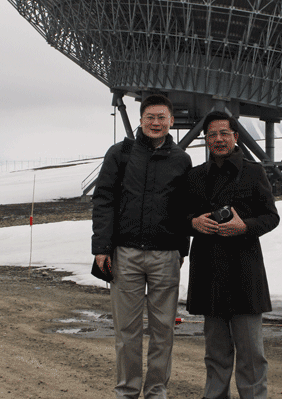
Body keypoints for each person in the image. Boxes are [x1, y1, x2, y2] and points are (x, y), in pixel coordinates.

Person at [91, 94, 192, 399]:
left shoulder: (181, 160)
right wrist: (102, 247)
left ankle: (157, 391)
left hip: (165, 255)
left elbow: (185, 207)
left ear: (171, 121)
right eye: (150, 117)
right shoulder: (120, 154)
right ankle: (127, 392)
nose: (156, 123)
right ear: (140, 119)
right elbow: (103, 200)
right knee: (127, 333)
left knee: (163, 331)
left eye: (162, 117)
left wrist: (181, 251)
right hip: (127, 254)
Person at [186, 111, 280, 399]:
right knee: (216, 354)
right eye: (212, 135)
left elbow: (271, 217)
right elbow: (180, 216)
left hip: (245, 273)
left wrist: (244, 226)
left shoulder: (254, 171)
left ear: (236, 137)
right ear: (206, 140)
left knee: (251, 354)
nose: (218, 139)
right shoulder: (195, 176)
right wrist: (193, 222)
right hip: (208, 272)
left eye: (224, 133)